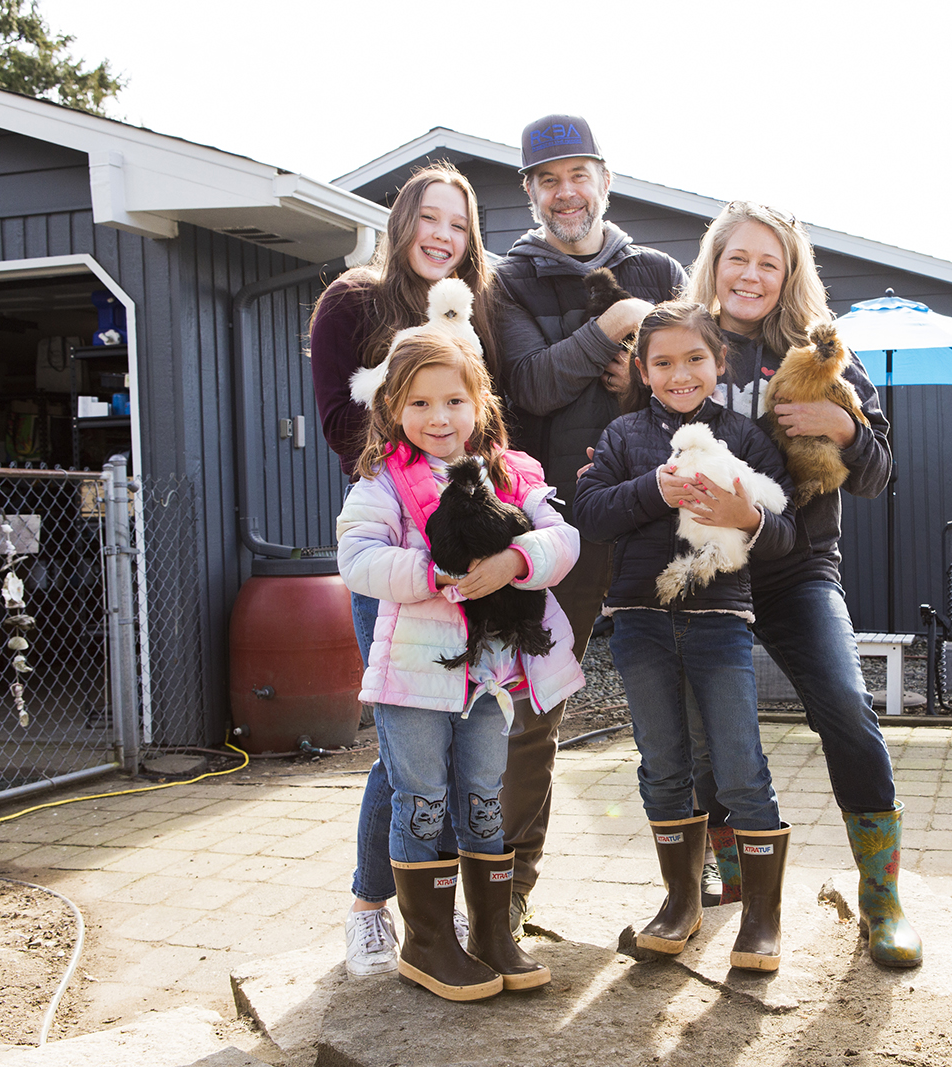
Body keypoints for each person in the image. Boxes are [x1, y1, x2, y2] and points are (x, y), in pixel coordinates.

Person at [681, 201, 922, 968]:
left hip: (798, 569)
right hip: (714, 570)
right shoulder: (686, 345)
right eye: (737, 258)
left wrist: (846, 428)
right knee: (708, 730)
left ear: (789, 275)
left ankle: (882, 900)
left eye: (768, 262)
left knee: (849, 708)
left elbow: (880, 476)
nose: (751, 274)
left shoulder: (824, 354)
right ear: (715, 266)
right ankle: (725, 883)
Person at [336, 325, 584, 1000]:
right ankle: (427, 942)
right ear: (392, 410)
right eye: (418, 404)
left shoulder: (511, 474)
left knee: (482, 797)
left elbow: (564, 540)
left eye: (453, 400)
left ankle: (492, 932)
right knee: (422, 799)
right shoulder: (383, 483)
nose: (438, 417)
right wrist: (431, 568)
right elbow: (356, 559)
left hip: (488, 676)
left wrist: (516, 559)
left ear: (480, 402)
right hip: (413, 676)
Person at [492, 115, 687, 932]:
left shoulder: (660, 267)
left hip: (655, 511)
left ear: (605, 179)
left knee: (684, 698)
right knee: (536, 713)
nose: (565, 192)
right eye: (548, 178)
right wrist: (609, 330)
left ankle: (698, 883)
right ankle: (507, 892)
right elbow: (528, 385)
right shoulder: (509, 279)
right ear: (531, 192)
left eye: (579, 174)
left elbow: (690, 381)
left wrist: (631, 387)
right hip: (559, 528)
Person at [309, 163, 500, 976]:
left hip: (474, 559)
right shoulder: (352, 301)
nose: (443, 235)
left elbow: (493, 413)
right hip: (397, 548)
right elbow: (337, 419)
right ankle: (367, 906)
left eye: (458, 222)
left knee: (464, 732)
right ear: (402, 223)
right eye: (429, 217)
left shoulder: (478, 308)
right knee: (403, 740)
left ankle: (441, 911)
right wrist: (418, 484)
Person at [573, 301, 796, 971]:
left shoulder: (747, 439)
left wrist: (744, 513)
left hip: (720, 622)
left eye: (695, 359)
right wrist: (655, 490)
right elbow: (590, 512)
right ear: (642, 370)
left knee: (739, 765)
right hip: (638, 621)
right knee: (663, 763)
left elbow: (785, 532)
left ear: (720, 364)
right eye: (663, 362)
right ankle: (681, 901)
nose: (680, 374)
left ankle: (761, 916)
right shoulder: (623, 437)